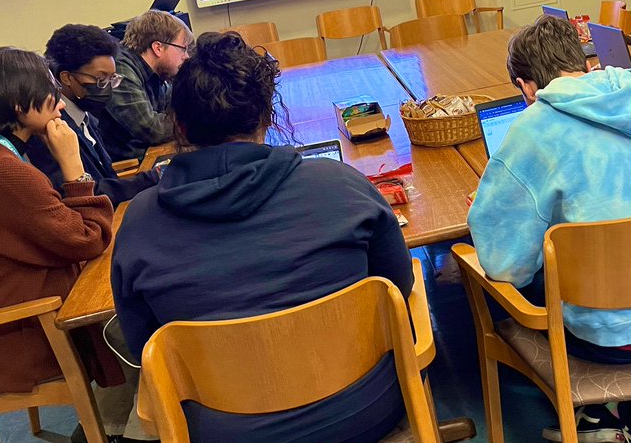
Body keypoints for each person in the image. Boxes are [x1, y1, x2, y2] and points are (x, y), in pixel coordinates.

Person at [111, 31, 413, 442]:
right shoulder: (339, 184)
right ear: (267, 117)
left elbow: (144, 345)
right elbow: (398, 285)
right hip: (363, 409)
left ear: (178, 126)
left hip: (223, 431)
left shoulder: (139, 222)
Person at [467, 15, 631, 442]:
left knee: (503, 277)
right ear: (584, 62)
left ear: (526, 87)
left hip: (603, 341)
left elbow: (504, 265)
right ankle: (612, 410)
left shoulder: (533, 130)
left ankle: (595, 412)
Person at [0, 47, 115, 393]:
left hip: (13, 319)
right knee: (132, 323)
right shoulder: (4, 171)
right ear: (18, 105)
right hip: (24, 334)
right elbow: (89, 239)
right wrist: (74, 168)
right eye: (50, 93)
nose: (60, 105)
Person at [26, 24, 160, 206]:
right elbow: (86, 191)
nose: (107, 87)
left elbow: (106, 176)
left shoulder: (85, 113)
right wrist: (152, 178)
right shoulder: (50, 130)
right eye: (101, 78)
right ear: (67, 78)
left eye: (112, 78)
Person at [97, 10, 193, 162]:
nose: (186, 56)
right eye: (183, 48)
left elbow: (171, 107)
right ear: (158, 48)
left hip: (150, 153)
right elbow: (153, 129)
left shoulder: (158, 72)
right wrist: (195, 120)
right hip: (132, 165)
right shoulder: (121, 70)